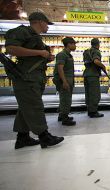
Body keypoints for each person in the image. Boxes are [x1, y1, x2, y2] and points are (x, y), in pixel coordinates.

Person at [4, 12, 64, 149]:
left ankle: (22, 138)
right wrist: (39, 53)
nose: (48, 26)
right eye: (46, 23)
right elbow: (11, 49)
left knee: (26, 108)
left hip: (33, 78)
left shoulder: (35, 37)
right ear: (39, 21)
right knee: (35, 106)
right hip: (26, 78)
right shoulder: (23, 32)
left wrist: (46, 56)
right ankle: (44, 136)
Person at [53, 37, 77, 126]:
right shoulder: (62, 54)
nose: (75, 46)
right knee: (65, 99)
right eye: (74, 44)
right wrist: (64, 81)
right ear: (69, 44)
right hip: (64, 80)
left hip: (68, 79)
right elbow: (60, 68)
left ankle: (61, 115)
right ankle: (64, 118)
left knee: (65, 98)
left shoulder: (68, 55)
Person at [83, 38, 106, 118]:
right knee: (94, 94)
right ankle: (93, 112)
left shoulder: (86, 51)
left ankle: (90, 110)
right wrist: (103, 66)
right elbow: (96, 61)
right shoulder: (96, 51)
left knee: (89, 93)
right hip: (93, 75)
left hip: (86, 74)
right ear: (98, 44)